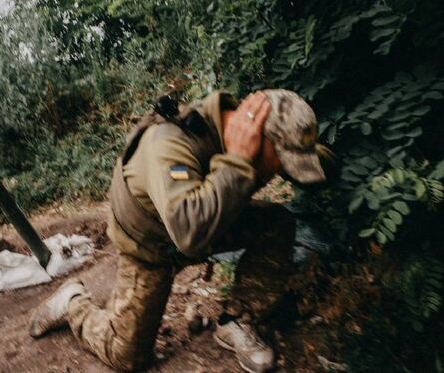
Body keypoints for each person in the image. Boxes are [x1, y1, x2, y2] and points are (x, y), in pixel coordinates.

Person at [29, 90, 330, 372]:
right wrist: (237, 163)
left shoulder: (241, 133)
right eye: (279, 164)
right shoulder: (169, 144)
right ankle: (72, 302)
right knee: (127, 355)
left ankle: (235, 321)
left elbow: (309, 160)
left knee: (276, 222)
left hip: (202, 218)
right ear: (255, 136)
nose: (278, 175)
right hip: (151, 245)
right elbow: (190, 235)